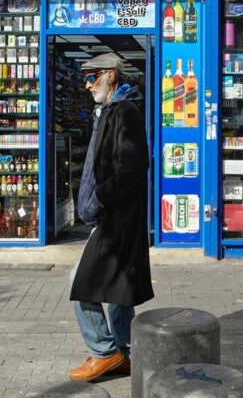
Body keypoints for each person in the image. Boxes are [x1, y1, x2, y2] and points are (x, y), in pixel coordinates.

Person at [68, 52, 153, 382]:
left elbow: (134, 166)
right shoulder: (110, 110)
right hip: (116, 218)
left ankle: (105, 352)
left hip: (117, 217)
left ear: (111, 77)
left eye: (92, 77)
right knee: (117, 288)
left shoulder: (124, 111)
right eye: (85, 78)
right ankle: (126, 353)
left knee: (82, 283)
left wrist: (102, 197)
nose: (87, 84)